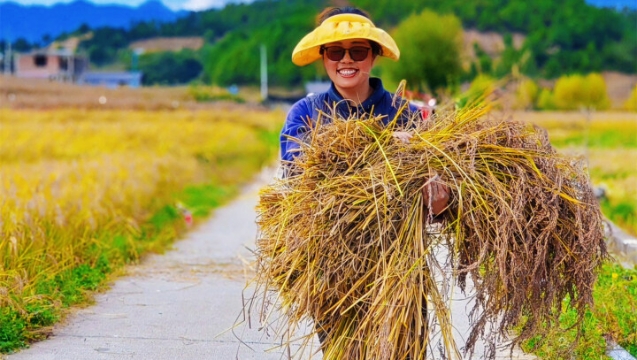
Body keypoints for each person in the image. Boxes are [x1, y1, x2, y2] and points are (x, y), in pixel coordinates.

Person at [278, 5, 450, 355]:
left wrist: (440, 194)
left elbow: (442, 206)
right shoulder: (306, 115)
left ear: (373, 56)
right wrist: (384, 147)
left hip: (401, 270)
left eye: (357, 51)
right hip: (333, 270)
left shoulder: (409, 117)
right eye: (335, 51)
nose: (346, 60)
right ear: (323, 57)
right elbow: (299, 182)